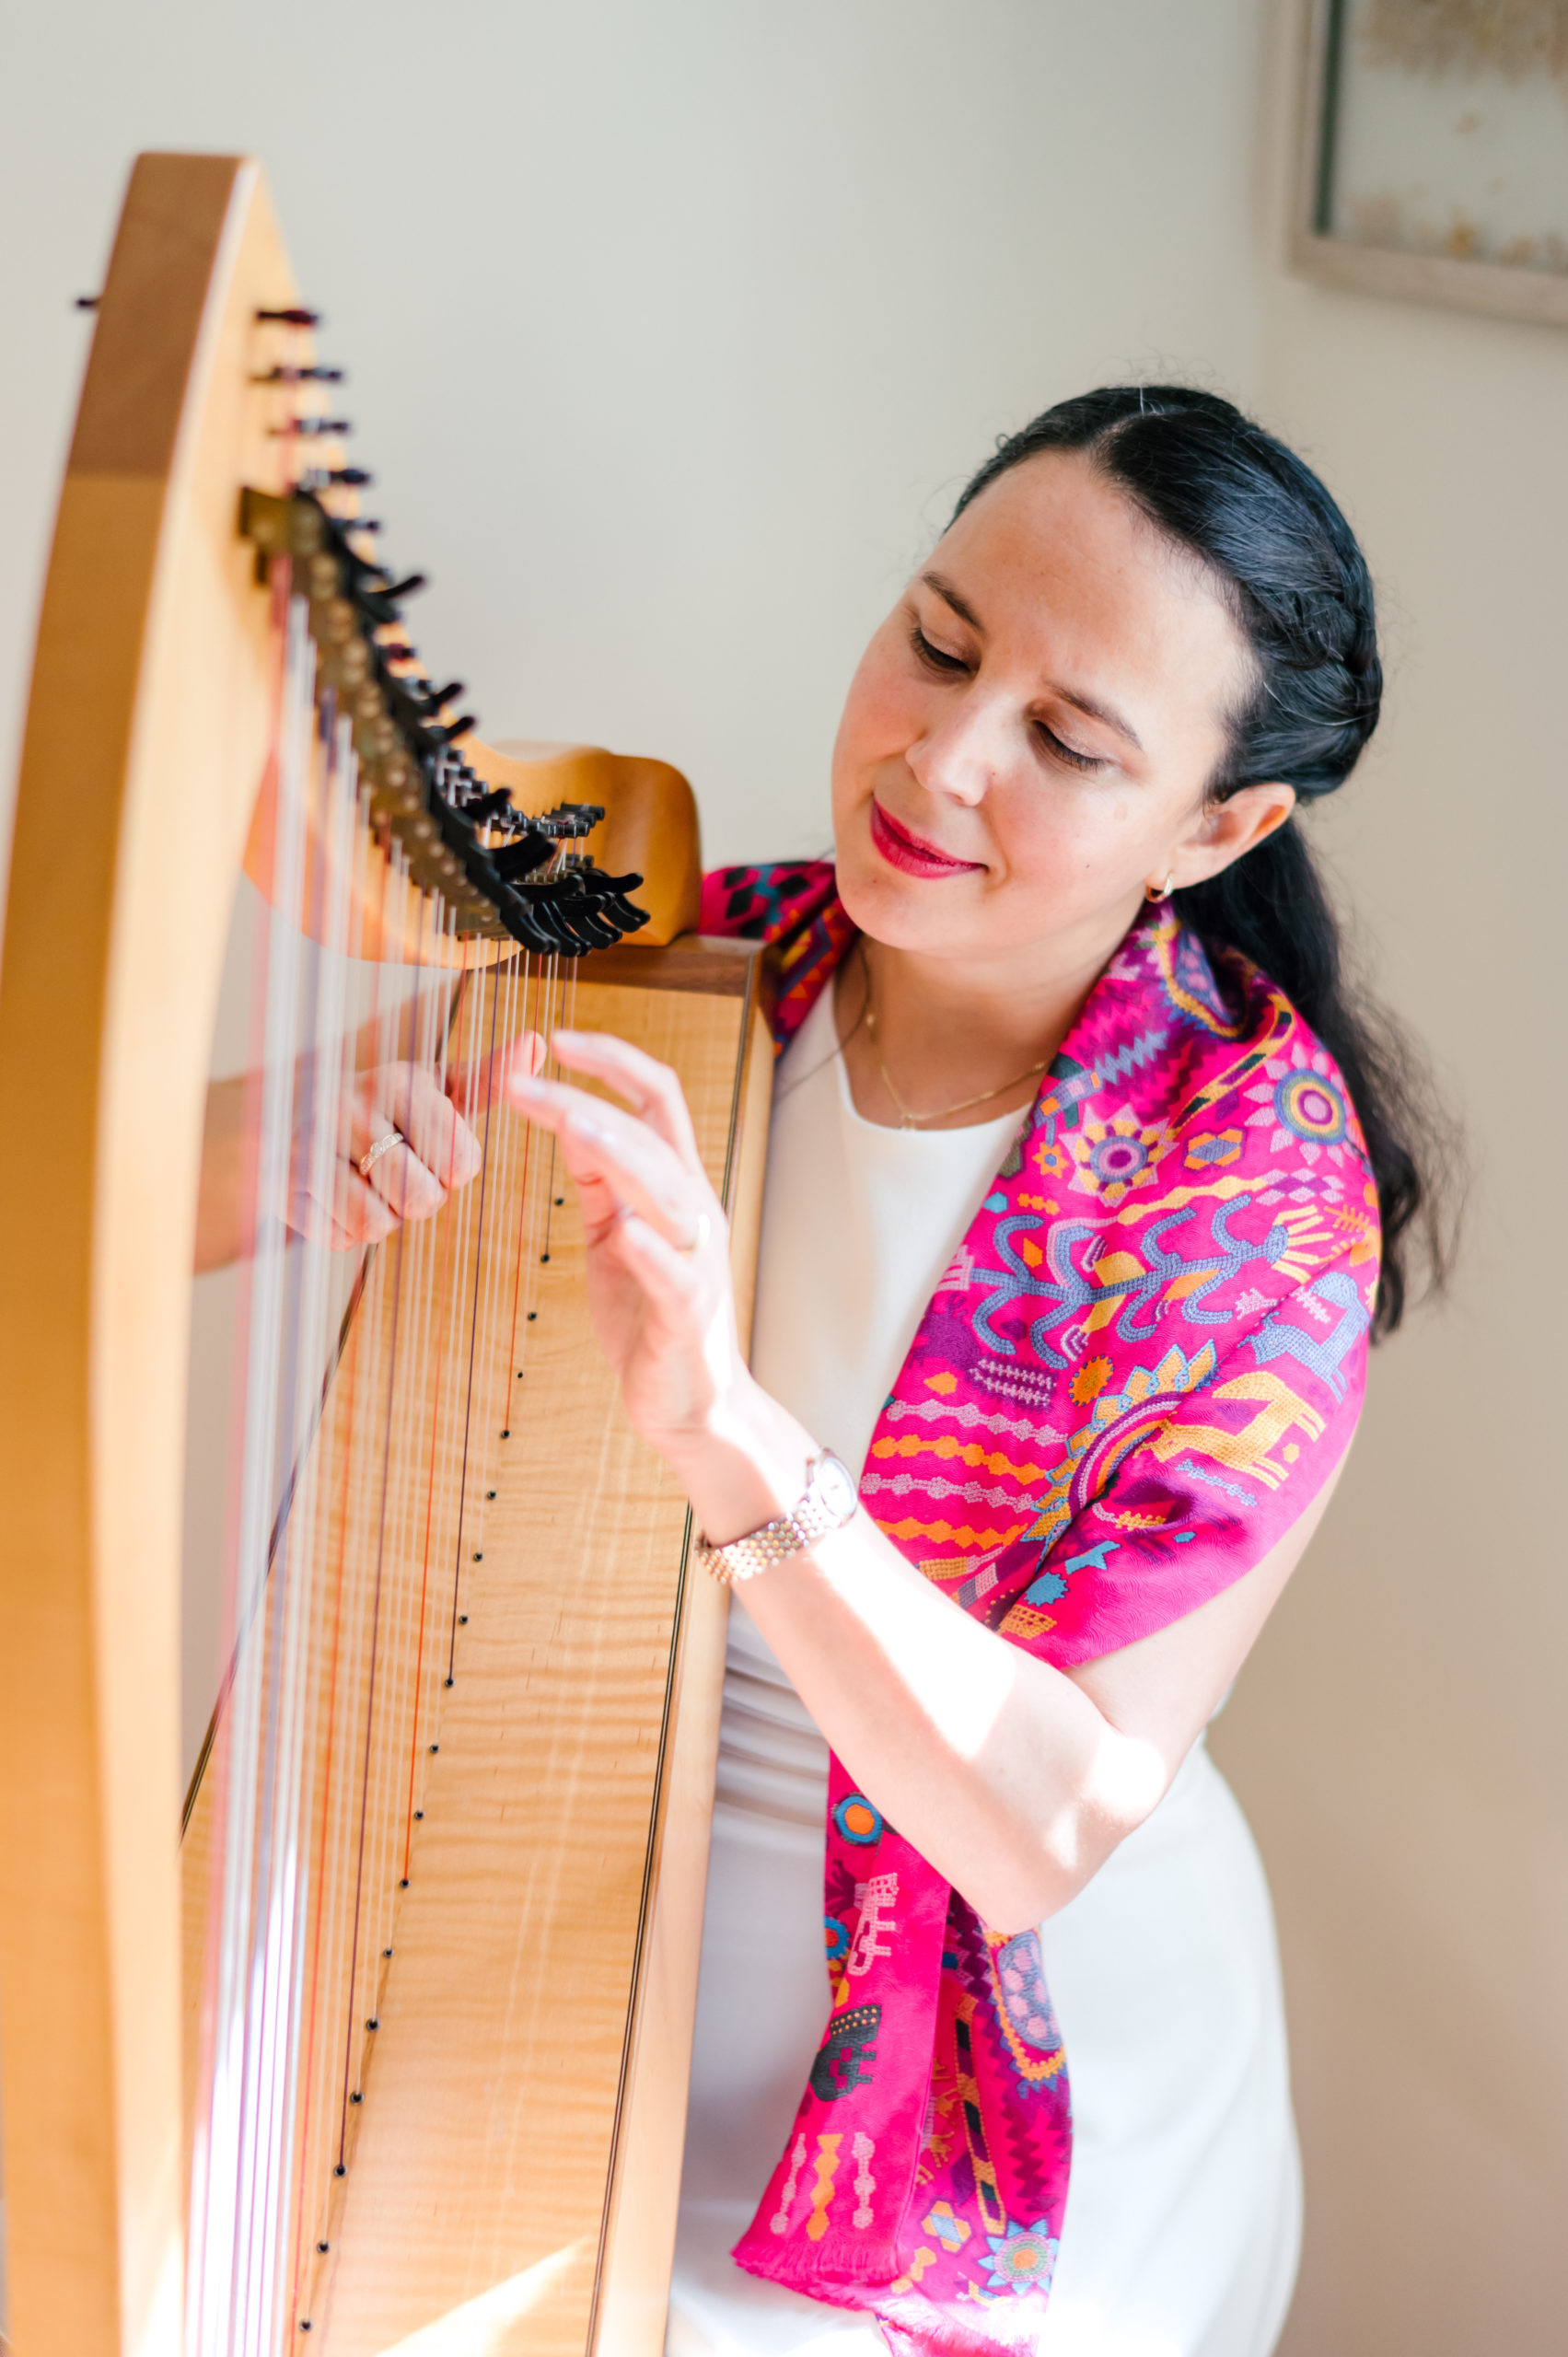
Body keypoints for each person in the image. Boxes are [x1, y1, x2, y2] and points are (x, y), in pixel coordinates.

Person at [503, 387, 1449, 2357]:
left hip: (1004, 2082)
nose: (939, 757)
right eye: (938, 639)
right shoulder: (713, 966)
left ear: (1220, 823)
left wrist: (721, 1424)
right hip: (601, 1973)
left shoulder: (1251, 1181)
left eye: (1069, 741)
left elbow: (1041, 1818)